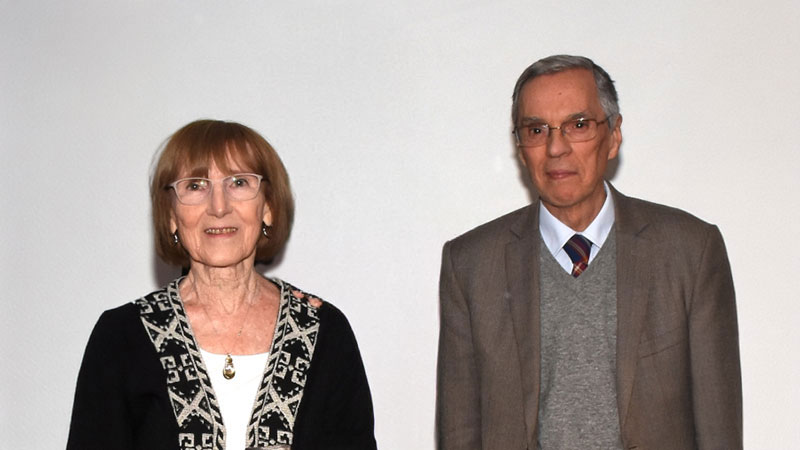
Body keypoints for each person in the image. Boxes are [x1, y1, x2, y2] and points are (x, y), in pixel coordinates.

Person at [436, 55, 742, 449]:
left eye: (577, 125)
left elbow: (719, 430)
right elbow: (459, 434)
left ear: (613, 136)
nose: (556, 147)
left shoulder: (690, 251)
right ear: (520, 147)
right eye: (536, 129)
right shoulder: (471, 265)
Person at [67, 119, 377, 450]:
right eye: (196, 186)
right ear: (171, 215)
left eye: (239, 182)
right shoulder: (120, 337)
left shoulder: (323, 331)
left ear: (268, 208)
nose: (219, 207)